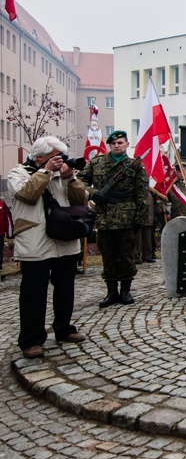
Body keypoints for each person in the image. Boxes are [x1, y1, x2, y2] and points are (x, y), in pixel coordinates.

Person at [9, 136, 89, 358]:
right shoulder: (18, 173)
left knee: (65, 289)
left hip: (63, 241)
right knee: (34, 293)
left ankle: (63, 328)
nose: (59, 161)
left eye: (60, 156)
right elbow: (26, 194)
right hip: (36, 241)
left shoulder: (61, 175)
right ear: (40, 156)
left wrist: (70, 178)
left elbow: (81, 200)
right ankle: (31, 340)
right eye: (55, 156)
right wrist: (45, 172)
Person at [78, 130, 149, 308]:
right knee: (108, 255)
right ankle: (111, 292)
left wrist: (140, 218)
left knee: (127, 255)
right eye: (114, 143)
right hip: (105, 215)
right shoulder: (97, 163)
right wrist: (93, 194)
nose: (117, 146)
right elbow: (79, 180)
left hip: (127, 217)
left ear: (127, 144)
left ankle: (125, 291)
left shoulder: (135, 166)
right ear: (109, 145)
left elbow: (142, 194)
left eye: (120, 143)